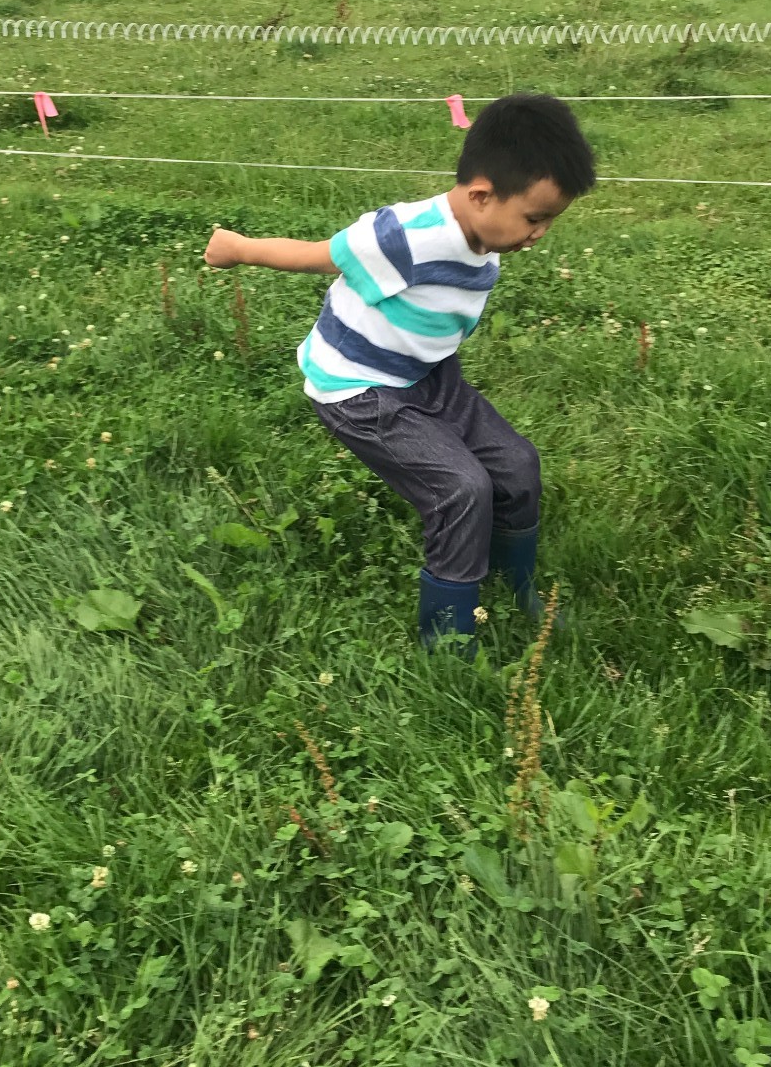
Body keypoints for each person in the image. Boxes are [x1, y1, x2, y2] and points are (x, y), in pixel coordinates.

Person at [203, 92, 596, 650]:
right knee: (462, 489)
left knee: (516, 463)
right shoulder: (402, 237)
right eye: (535, 219)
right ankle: (448, 638)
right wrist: (239, 248)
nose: (540, 233)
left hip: (427, 375)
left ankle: (516, 589)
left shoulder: (485, 233)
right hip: (359, 390)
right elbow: (317, 255)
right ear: (482, 196)